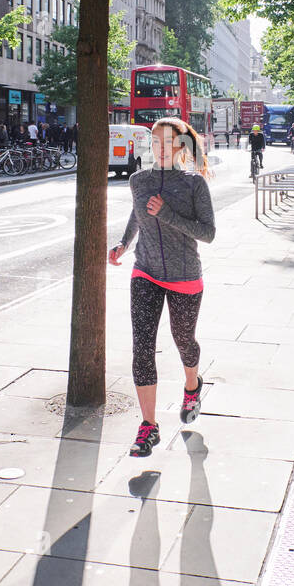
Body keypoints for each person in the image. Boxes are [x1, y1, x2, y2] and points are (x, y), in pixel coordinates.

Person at [109, 117, 215, 457]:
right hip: (146, 271)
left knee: (184, 340)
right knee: (142, 347)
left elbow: (208, 233)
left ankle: (192, 386)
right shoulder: (138, 180)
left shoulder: (194, 184)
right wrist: (124, 243)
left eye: (169, 142)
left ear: (182, 146)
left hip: (185, 275)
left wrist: (167, 214)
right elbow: (138, 213)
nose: (161, 148)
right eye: (156, 142)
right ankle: (149, 426)